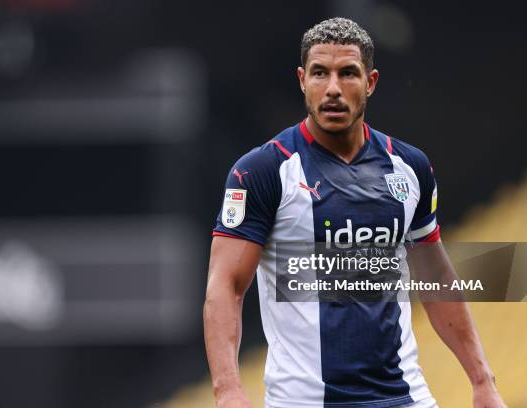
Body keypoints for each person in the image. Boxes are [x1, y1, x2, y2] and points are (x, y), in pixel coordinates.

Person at [203, 17, 507, 408]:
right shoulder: (262, 171)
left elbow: (435, 278)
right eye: (319, 73)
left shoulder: (409, 168)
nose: (332, 89)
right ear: (301, 80)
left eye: (347, 73)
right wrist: (228, 391)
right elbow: (225, 285)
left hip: (405, 398)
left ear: (371, 82)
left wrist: (483, 380)